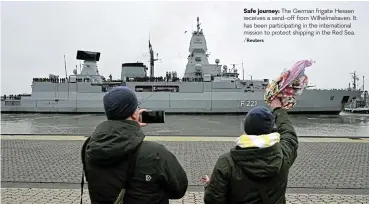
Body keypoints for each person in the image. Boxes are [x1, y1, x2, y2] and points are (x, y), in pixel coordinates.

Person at [81, 86, 188, 204]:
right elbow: (179, 189)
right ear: (133, 114)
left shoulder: (89, 147)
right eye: (137, 107)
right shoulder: (156, 153)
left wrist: (130, 125)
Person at [203, 98, 298, 204]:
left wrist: (210, 186)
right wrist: (278, 110)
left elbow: (213, 200)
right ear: (270, 129)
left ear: (246, 128)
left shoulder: (226, 162)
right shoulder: (283, 155)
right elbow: (290, 136)